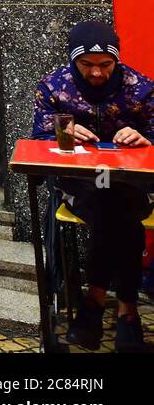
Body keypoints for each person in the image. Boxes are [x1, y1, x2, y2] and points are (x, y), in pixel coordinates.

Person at [32, 20, 154, 352]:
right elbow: (38, 140)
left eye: (105, 65)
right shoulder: (53, 88)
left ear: (116, 61)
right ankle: (128, 311)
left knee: (115, 204)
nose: (97, 73)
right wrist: (63, 135)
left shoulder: (140, 88)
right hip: (80, 185)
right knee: (114, 210)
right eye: (86, 65)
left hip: (132, 184)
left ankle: (95, 302)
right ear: (73, 61)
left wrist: (145, 139)